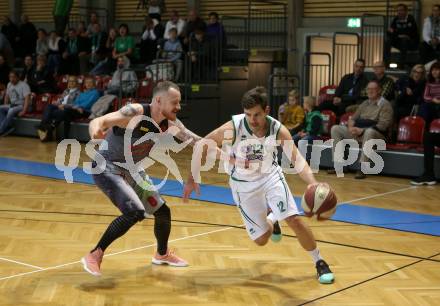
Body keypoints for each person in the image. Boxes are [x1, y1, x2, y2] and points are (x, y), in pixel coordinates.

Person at [184, 86, 335, 284]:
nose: (252, 120)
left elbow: (297, 160)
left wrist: (313, 183)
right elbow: (204, 144)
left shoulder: (278, 130)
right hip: (243, 185)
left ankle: (319, 261)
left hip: (270, 177)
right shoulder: (234, 127)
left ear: (267, 111)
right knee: (261, 239)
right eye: (248, 115)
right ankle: (273, 219)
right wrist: (193, 176)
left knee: (294, 219)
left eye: (257, 115)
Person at [81, 81, 203, 276]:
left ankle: (161, 254)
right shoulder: (134, 113)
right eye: (175, 102)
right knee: (134, 211)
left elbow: (198, 142)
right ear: (158, 100)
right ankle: (95, 254)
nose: (179, 107)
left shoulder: (170, 123)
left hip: (133, 170)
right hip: (107, 166)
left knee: (162, 212)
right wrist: (95, 133)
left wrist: (232, 157)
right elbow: (99, 122)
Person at [329, 81, 394, 179]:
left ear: (379, 90)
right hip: (359, 132)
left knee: (369, 132)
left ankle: (362, 168)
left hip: (377, 135)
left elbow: (383, 126)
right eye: (368, 89)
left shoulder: (385, 105)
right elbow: (352, 119)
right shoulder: (364, 103)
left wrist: (362, 130)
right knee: (335, 128)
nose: (370, 91)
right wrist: (351, 128)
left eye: (373, 89)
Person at [36, 75, 81, 141]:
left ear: (76, 83)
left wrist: (64, 106)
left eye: (73, 81)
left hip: (66, 109)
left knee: (50, 113)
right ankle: (44, 126)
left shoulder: (78, 93)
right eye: (70, 81)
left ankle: (43, 127)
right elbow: (61, 99)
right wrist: (56, 102)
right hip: (59, 107)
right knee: (49, 106)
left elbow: (75, 104)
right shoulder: (66, 91)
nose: (71, 82)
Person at [0, 71, 31, 136]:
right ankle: (7, 127)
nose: (12, 79)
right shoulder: (9, 84)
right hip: (12, 105)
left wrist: (24, 111)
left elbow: (27, 99)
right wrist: (5, 106)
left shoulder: (24, 85)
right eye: (10, 77)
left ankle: (1, 130)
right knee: (1, 108)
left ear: (18, 77)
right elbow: (6, 96)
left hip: (21, 105)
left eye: (13, 77)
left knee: (11, 110)